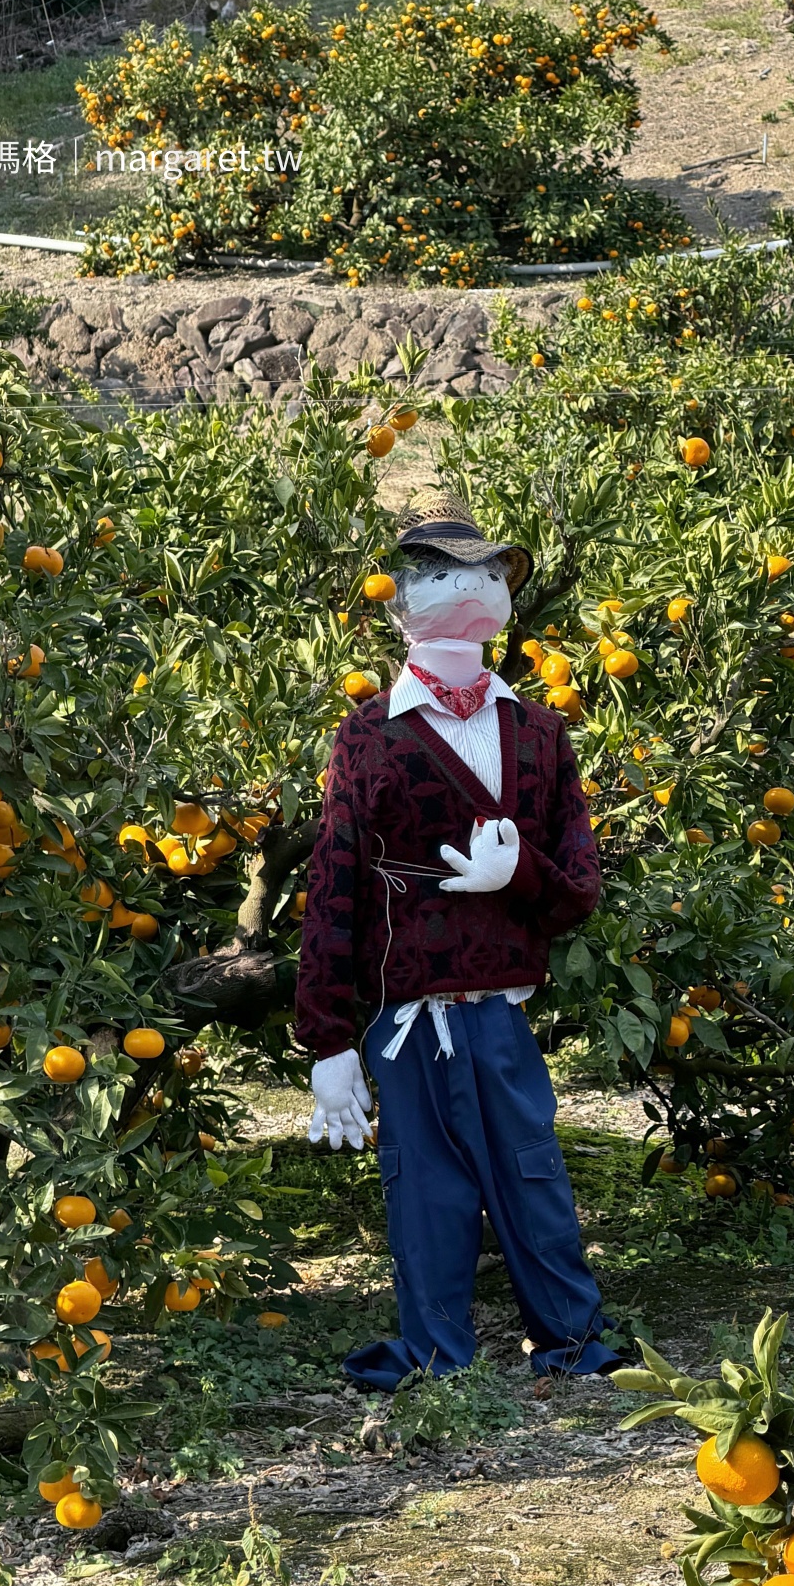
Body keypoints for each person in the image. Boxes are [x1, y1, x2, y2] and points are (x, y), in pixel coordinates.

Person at [294, 487, 618, 1391]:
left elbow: (578, 889)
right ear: (400, 601)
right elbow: (335, 884)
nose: (467, 586)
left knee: (532, 1173)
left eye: (485, 571)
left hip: (500, 1009)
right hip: (409, 1011)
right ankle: (437, 1348)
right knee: (426, 1190)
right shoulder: (368, 737)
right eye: (439, 573)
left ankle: (570, 1335)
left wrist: (516, 877)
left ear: (507, 598)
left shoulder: (540, 732)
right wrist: (327, 1038)